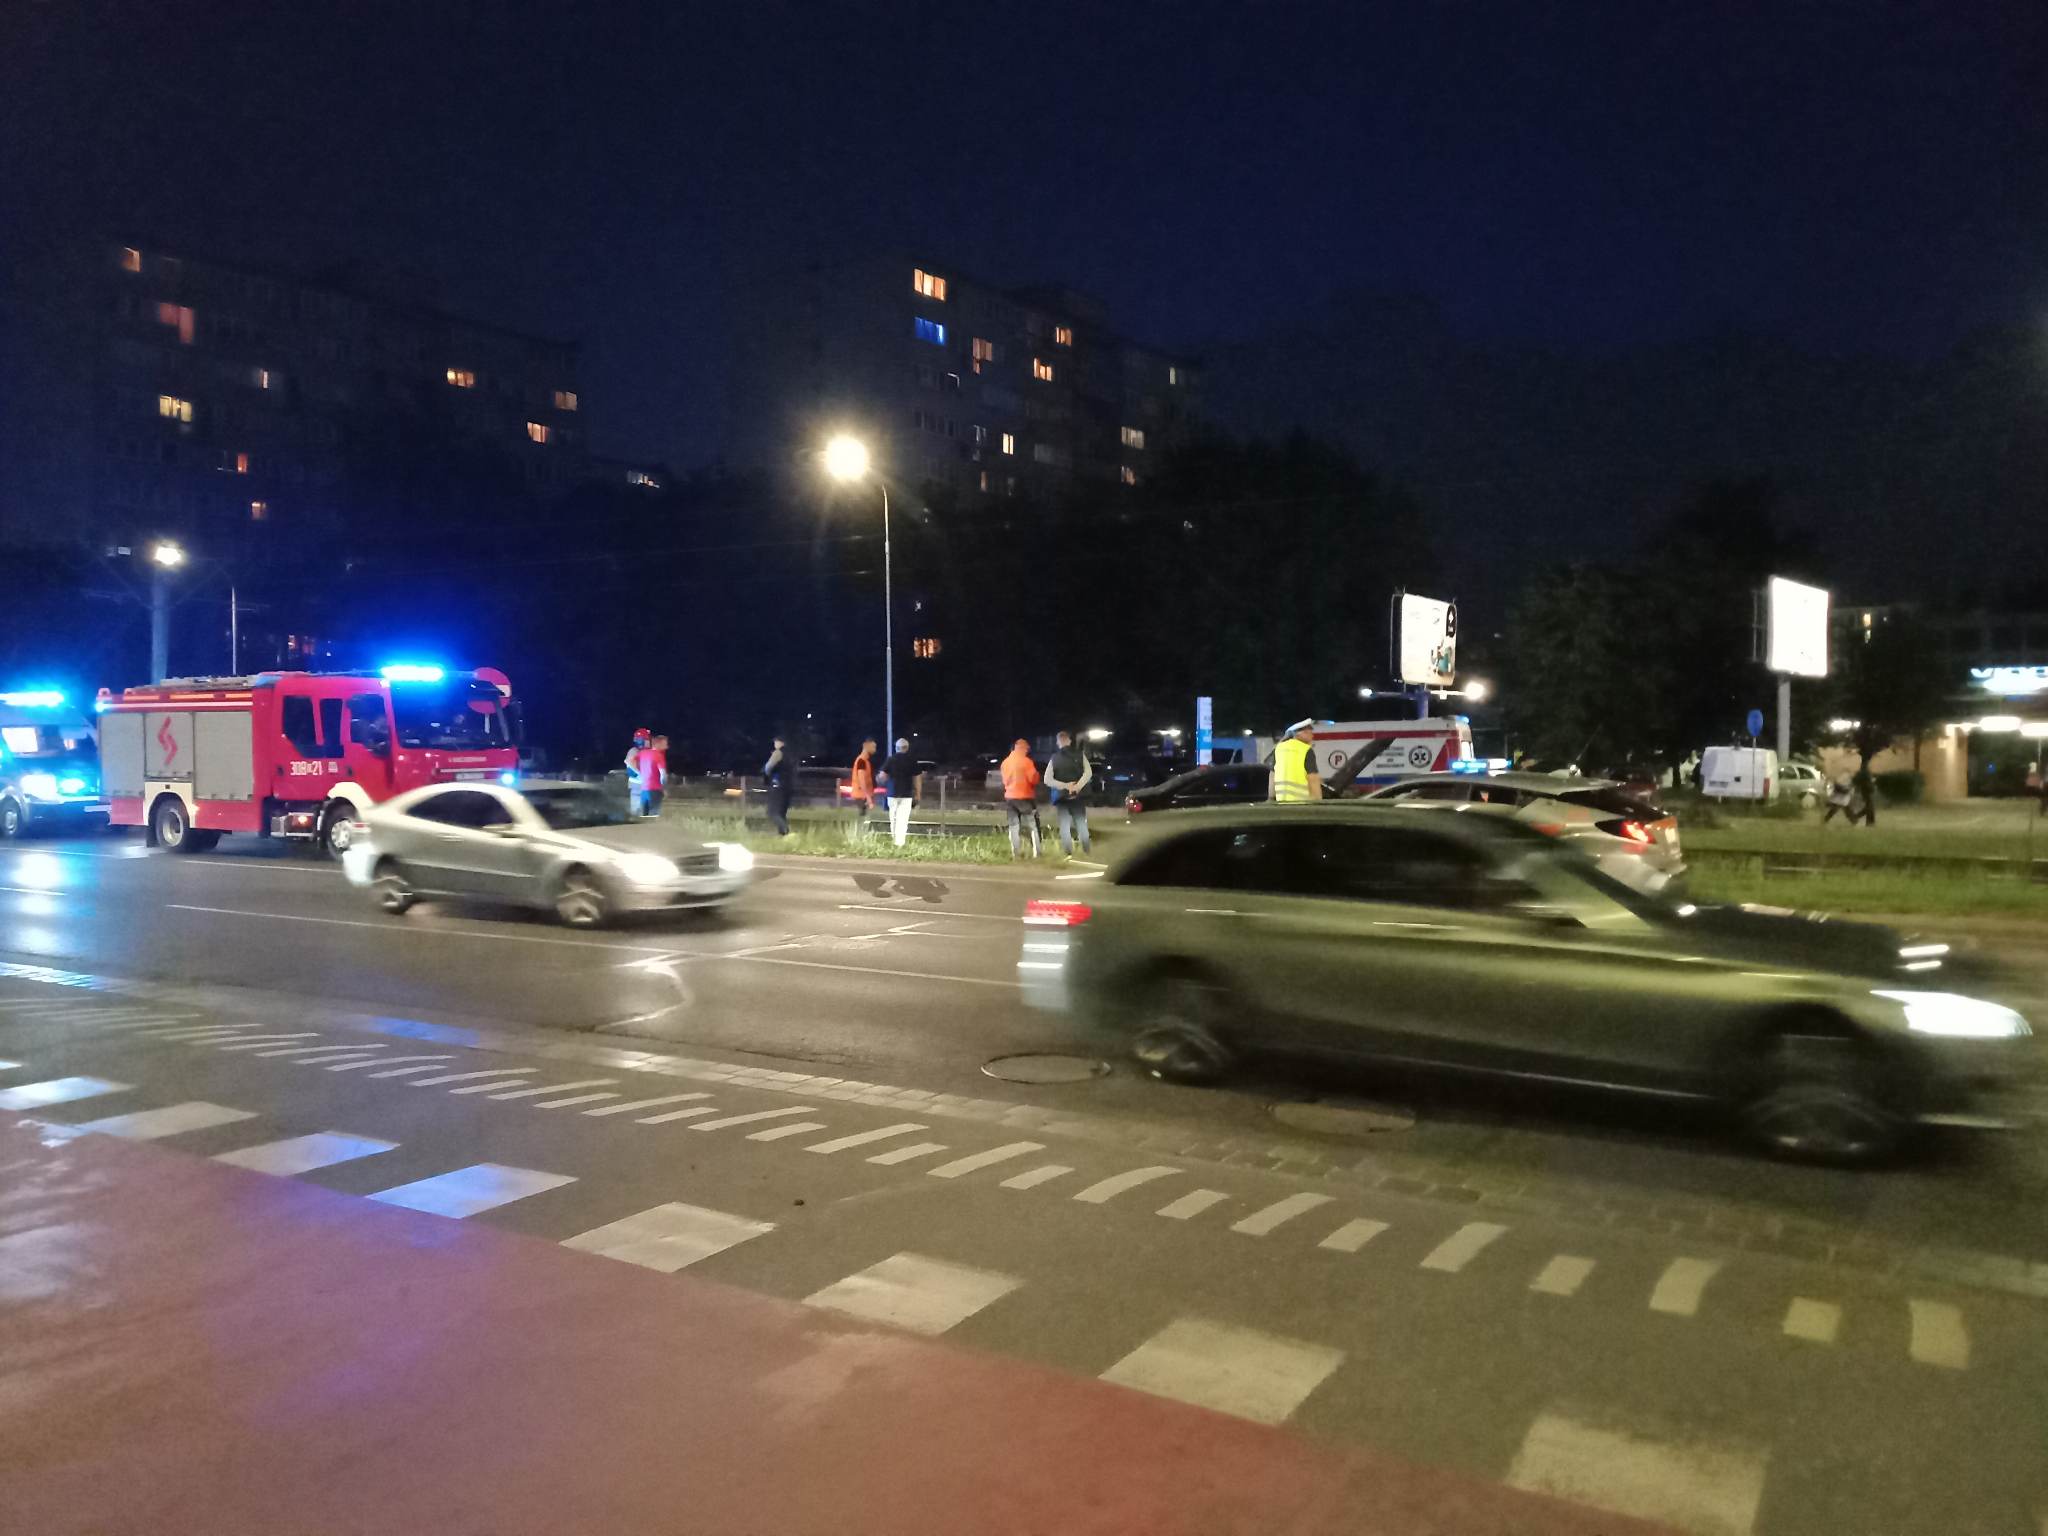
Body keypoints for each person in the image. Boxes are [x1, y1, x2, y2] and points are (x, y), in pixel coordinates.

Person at [1043, 729, 1094, 857]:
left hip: (1062, 797)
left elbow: (1047, 780)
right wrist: (1077, 786)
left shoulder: (1054, 758)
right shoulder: (1080, 755)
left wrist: (1065, 786)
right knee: (1081, 823)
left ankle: (1068, 853)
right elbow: (1088, 773)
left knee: (1065, 825)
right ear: (1070, 741)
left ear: (1058, 742)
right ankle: (1087, 850)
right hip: (1078, 796)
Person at [1001, 738, 1042, 858]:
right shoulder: (1027, 762)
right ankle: (1037, 853)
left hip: (1010, 798)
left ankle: (1016, 853)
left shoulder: (1005, 762)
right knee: (1033, 825)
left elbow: (1005, 781)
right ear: (1024, 748)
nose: (1027, 752)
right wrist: (1037, 776)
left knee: (1013, 826)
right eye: (1027, 749)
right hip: (1025, 797)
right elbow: (1033, 779)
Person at [878, 737, 921, 847]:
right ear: (907, 748)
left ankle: (894, 840)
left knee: (893, 818)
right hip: (906, 794)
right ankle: (900, 842)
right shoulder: (912, 761)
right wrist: (918, 794)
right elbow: (917, 779)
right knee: (903, 819)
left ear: (896, 748)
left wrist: (881, 781)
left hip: (892, 794)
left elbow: (882, 776)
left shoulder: (890, 760)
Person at [1270, 719, 1322, 803]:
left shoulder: (1279, 748)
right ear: (1300, 733)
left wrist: (1271, 799)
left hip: (1281, 803)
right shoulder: (1306, 750)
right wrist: (1318, 802)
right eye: (1309, 733)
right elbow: (1313, 779)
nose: (1312, 736)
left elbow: (1272, 776)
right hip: (1302, 804)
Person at [762, 736, 794, 836]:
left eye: (776, 742)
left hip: (778, 785)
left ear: (781, 743)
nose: (775, 744)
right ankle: (783, 836)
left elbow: (768, 767)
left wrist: (766, 775)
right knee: (781, 813)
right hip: (788, 786)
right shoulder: (791, 755)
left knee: (772, 812)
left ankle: (786, 832)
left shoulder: (778, 753)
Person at [638, 734, 669, 820]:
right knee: (653, 816)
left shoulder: (642, 753)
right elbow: (663, 775)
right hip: (655, 789)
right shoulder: (659, 755)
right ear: (658, 744)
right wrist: (664, 788)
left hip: (643, 788)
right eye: (665, 744)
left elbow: (631, 762)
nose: (667, 747)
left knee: (643, 817)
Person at [849, 738, 878, 828]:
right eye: (873, 747)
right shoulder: (861, 761)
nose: (874, 749)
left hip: (863, 794)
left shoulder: (865, 761)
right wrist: (868, 797)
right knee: (863, 819)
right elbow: (862, 780)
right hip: (861, 795)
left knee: (865, 819)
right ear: (866, 746)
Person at [624, 728, 653, 816]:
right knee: (637, 810)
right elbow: (631, 770)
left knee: (646, 810)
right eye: (647, 740)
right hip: (637, 784)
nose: (649, 742)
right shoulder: (634, 751)